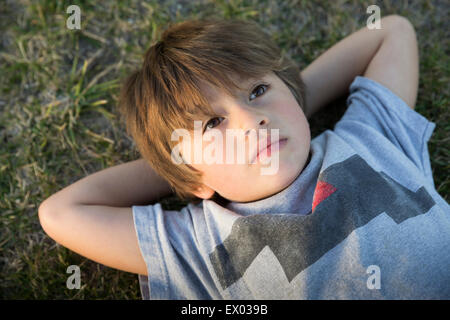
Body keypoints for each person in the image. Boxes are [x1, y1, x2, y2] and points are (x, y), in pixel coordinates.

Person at [38, 15, 450, 299]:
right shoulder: (200, 247)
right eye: (213, 123)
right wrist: (183, 168)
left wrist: (293, 103)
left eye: (257, 91)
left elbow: (390, 32)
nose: (253, 120)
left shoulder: (370, 137)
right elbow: (60, 212)